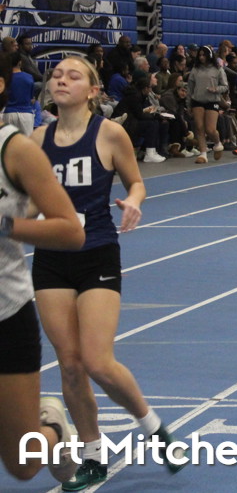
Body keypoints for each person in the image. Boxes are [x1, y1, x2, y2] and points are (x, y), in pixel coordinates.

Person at [30, 56, 186, 490]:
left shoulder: (109, 134)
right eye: (56, 75)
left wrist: (133, 201)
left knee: (97, 361)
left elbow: (136, 182)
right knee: (70, 365)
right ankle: (93, 454)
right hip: (51, 259)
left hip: (96, 254)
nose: (61, 80)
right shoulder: (38, 140)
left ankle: (152, 425)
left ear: (93, 90)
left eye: (73, 75)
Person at [0, 53, 84, 485]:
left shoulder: (16, 151)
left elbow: (70, 231)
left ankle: (52, 427)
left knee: (23, 464)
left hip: (5, 314)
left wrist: (5, 226)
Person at [187, 45, 229, 163]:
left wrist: (216, 89)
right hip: (197, 101)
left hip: (212, 101)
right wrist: (188, 104)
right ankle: (203, 153)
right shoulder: (195, 69)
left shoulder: (218, 69)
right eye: (200, 55)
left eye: (203, 55)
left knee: (210, 129)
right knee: (199, 128)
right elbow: (190, 88)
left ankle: (217, 143)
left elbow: (225, 86)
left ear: (209, 56)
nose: (201, 57)